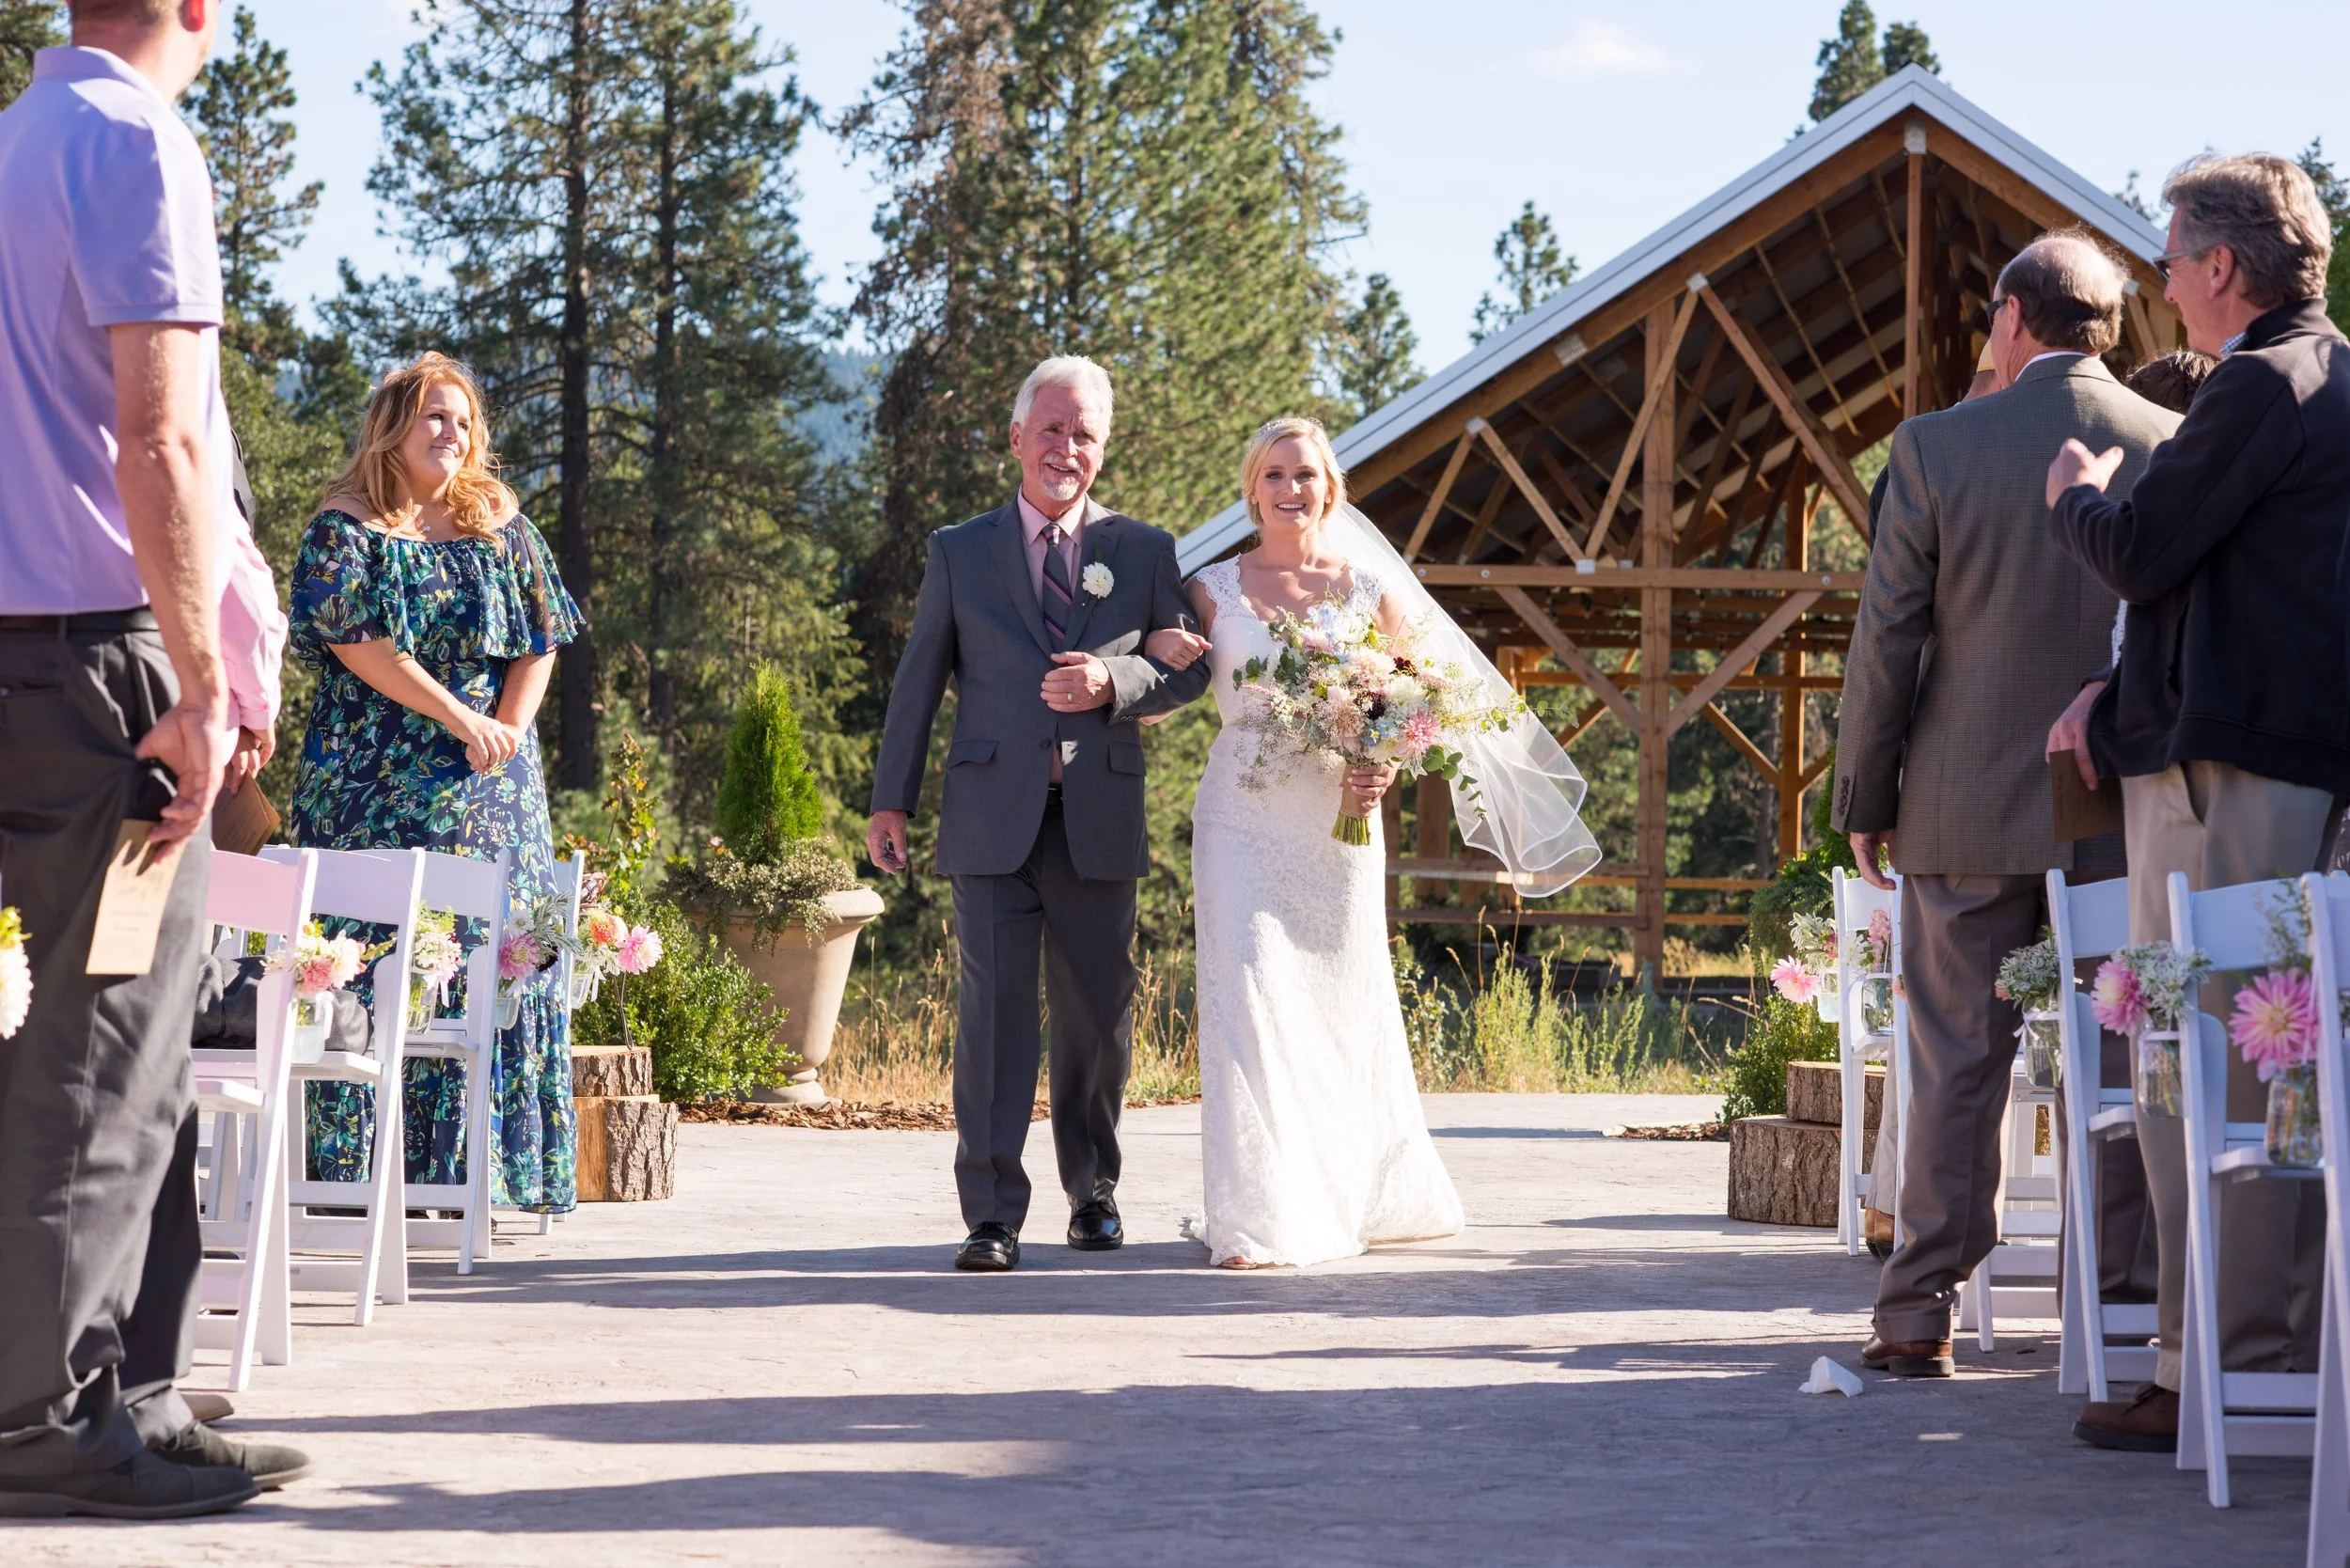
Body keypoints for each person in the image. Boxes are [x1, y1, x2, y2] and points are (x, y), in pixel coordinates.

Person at [0, 0, 306, 1519]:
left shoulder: (8, 145)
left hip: (15, 659)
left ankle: (123, 1382)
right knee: (106, 1048)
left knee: (77, 1043)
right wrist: (198, 686)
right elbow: (162, 438)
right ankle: (48, 1413)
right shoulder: (134, 143)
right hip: (95, 669)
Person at [1829, 232, 2179, 1379]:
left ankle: (1917, 1311)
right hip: (2121, 803)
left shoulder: (1935, 446)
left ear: (2012, 319)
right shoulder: (2173, 442)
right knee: (2121, 1062)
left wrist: (1865, 790)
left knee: (1953, 1061)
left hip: (1960, 800)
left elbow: (1889, 636)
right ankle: (2116, 1310)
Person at [2044, 152, 2349, 1451]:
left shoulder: (2258, 388)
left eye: (2169, 259)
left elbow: (2149, 552)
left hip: (2227, 783)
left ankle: (2218, 1368)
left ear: (2222, 268)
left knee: (2210, 1071)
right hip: (2274, 761)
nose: (2161, 281)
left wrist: (2082, 496)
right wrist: (2112, 708)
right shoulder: (2324, 380)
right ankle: (2241, 1355)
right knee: (2264, 1070)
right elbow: (2249, 599)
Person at [1147, 418, 1599, 1267]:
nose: (1291, 490)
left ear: (1331, 488)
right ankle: (1256, 1216)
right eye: (1275, 475)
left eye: (1307, 475)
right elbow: (1162, 672)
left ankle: (1346, 1190)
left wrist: (1385, 762)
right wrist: (1154, 646)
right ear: (1253, 488)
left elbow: (1423, 701)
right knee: (1249, 1001)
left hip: (1341, 824)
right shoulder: (1208, 588)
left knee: (1334, 1001)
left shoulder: (1367, 590)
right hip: (1239, 821)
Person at [867, 355, 1211, 1272]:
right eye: (1050, 429)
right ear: (1017, 437)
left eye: (1083, 434)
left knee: (1097, 1015)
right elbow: (919, 680)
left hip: (1098, 815)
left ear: (1103, 449)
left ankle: (1091, 1193)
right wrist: (890, 797)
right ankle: (990, 1214)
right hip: (988, 817)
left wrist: (1116, 678)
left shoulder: (1141, 550)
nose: (1065, 447)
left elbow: (1192, 664)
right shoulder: (959, 549)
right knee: (993, 1017)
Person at [288, 353, 584, 1215]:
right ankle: (355, 1183)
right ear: (391, 426)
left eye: (462, 420)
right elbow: (364, 649)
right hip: (367, 790)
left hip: (494, 789)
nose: (452, 434)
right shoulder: (343, 530)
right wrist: (466, 720)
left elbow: (543, 636)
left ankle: (478, 1179)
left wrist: (513, 732)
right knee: (368, 964)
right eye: (433, 418)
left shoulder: (502, 524)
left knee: (496, 970)